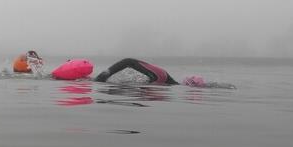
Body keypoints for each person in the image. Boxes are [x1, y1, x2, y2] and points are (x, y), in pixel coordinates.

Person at [94, 58, 236, 89]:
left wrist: (101, 79)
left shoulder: (162, 81)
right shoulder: (161, 76)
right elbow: (129, 61)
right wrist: (104, 76)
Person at [94, 58, 179, 85]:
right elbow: (129, 61)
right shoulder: (161, 76)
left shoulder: (161, 77)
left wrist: (104, 75)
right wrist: (105, 74)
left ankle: (103, 75)